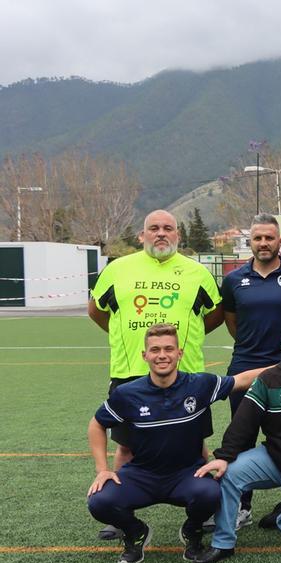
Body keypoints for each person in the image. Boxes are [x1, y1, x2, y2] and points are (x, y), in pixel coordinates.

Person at [88, 209, 224, 540]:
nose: (160, 234)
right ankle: (120, 512)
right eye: (153, 228)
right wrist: (128, 341)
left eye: (167, 229)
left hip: (185, 374)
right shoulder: (117, 269)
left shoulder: (197, 273)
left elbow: (215, 314)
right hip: (129, 371)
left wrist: (182, 347)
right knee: (126, 446)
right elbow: (96, 311)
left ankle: (202, 506)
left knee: (194, 442)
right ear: (141, 235)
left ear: (178, 235)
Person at [84, 324, 262, 563]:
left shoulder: (199, 385)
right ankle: (135, 533)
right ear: (144, 356)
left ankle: (193, 531)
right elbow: (96, 424)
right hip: (141, 476)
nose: (162, 355)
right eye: (155, 350)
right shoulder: (127, 393)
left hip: (186, 474)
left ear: (180, 353)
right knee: (100, 501)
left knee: (211, 493)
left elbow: (242, 380)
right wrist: (102, 469)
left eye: (169, 349)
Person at [191, 317, 281, 563]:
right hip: (273, 458)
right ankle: (223, 543)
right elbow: (244, 422)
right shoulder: (268, 379)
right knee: (229, 473)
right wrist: (224, 457)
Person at [219, 213, 281, 526]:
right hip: (244, 368)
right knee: (241, 436)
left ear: (279, 240)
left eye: (270, 237)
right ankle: (242, 507)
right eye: (258, 238)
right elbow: (231, 320)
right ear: (250, 242)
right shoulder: (235, 279)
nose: (264, 243)